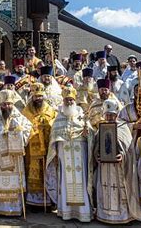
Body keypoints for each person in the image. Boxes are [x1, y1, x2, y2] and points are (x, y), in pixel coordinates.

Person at [0, 89, 32, 216]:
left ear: (13, 104)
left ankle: (14, 209)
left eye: (9, 104)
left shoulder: (19, 117)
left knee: (14, 183)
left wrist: (19, 133)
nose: (7, 107)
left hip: (15, 158)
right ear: (0, 104)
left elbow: (29, 129)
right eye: (4, 104)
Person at [46, 87, 93, 222]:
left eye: (71, 99)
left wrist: (87, 133)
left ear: (75, 100)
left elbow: (90, 133)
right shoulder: (59, 117)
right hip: (64, 152)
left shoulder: (81, 115)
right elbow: (54, 135)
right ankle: (66, 212)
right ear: (63, 100)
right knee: (66, 182)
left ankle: (83, 213)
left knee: (81, 180)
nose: (69, 102)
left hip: (80, 153)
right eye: (67, 99)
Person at [94, 99, 141, 224]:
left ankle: (123, 217)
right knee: (105, 189)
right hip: (104, 167)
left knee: (120, 189)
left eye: (112, 115)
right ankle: (105, 216)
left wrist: (123, 156)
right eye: (107, 115)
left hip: (120, 168)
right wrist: (97, 156)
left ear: (116, 115)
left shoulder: (123, 128)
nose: (110, 117)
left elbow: (129, 148)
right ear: (104, 115)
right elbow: (95, 147)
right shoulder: (101, 129)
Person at [21, 83, 57, 209]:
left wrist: (46, 125)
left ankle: (49, 200)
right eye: (36, 96)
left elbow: (55, 123)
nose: (38, 99)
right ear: (32, 96)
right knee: (33, 172)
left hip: (47, 146)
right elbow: (23, 126)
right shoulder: (26, 111)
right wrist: (34, 127)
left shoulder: (50, 110)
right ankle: (34, 202)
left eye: (40, 96)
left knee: (46, 172)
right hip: (31, 148)